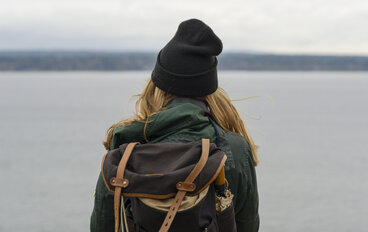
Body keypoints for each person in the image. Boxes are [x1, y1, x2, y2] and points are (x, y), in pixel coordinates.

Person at [91, 18, 260, 232]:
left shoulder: (124, 149)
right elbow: (248, 226)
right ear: (209, 87)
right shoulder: (235, 149)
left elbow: (101, 226)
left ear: (158, 86)